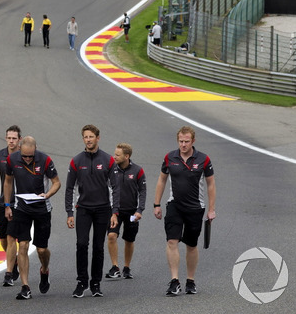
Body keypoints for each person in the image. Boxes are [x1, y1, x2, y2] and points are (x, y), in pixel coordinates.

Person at [153, 126, 216, 296]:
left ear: (193, 141)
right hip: (175, 205)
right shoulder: (170, 157)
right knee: (172, 241)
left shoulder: (203, 159)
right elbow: (162, 180)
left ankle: (190, 280)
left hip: (196, 207)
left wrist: (211, 209)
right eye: (181, 141)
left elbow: (210, 184)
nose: (183, 144)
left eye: (187, 141)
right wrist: (156, 204)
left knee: (191, 244)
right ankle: (174, 281)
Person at [4, 136, 61, 299]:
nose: (28, 159)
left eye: (31, 156)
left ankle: (44, 270)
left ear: (35, 150)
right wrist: (7, 205)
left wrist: (48, 194)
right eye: (25, 156)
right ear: (20, 150)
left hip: (42, 208)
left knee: (41, 249)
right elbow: (8, 182)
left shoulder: (45, 160)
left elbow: (56, 182)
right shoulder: (12, 159)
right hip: (21, 207)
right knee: (22, 245)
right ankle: (25, 286)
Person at [65, 125, 119, 298]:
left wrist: (114, 212)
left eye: (91, 137)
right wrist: (69, 213)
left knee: (98, 246)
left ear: (98, 138)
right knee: (81, 244)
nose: (88, 140)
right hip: (83, 209)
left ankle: (95, 283)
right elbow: (69, 188)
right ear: (83, 139)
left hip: (103, 209)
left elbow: (115, 188)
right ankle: (82, 282)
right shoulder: (76, 161)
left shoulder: (108, 160)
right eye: (85, 137)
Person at [106, 143, 146, 280]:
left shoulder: (138, 170)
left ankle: (126, 267)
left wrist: (140, 210)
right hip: (114, 211)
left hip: (132, 212)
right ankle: (115, 267)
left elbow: (143, 191)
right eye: (114, 154)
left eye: (117, 155)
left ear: (126, 156)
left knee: (129, 240)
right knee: (111, 236)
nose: (114, 157)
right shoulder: (111, 170)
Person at [0, 125, 22, 287]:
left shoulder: (25, 155)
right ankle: (14, 261)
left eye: (14, 138)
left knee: (11, 237)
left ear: (19, 140)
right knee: (3, 239)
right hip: (2, 202)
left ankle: (8, 273)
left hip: (19, 204)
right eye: (9, 138)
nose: (11, 141)